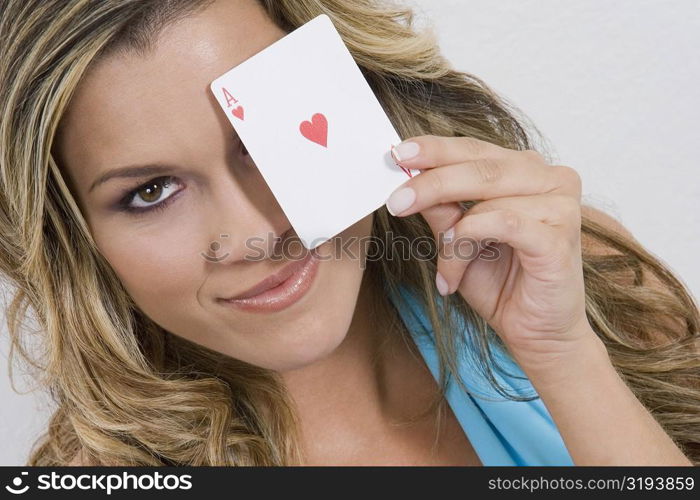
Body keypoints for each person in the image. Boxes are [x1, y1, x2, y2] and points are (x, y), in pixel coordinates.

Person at [0, 0, 697, 466]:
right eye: (151, 193)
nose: (254, 233)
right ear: (75, 239)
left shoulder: (583, 284)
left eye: (261, 139)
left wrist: (564, 357)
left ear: (359, 95)